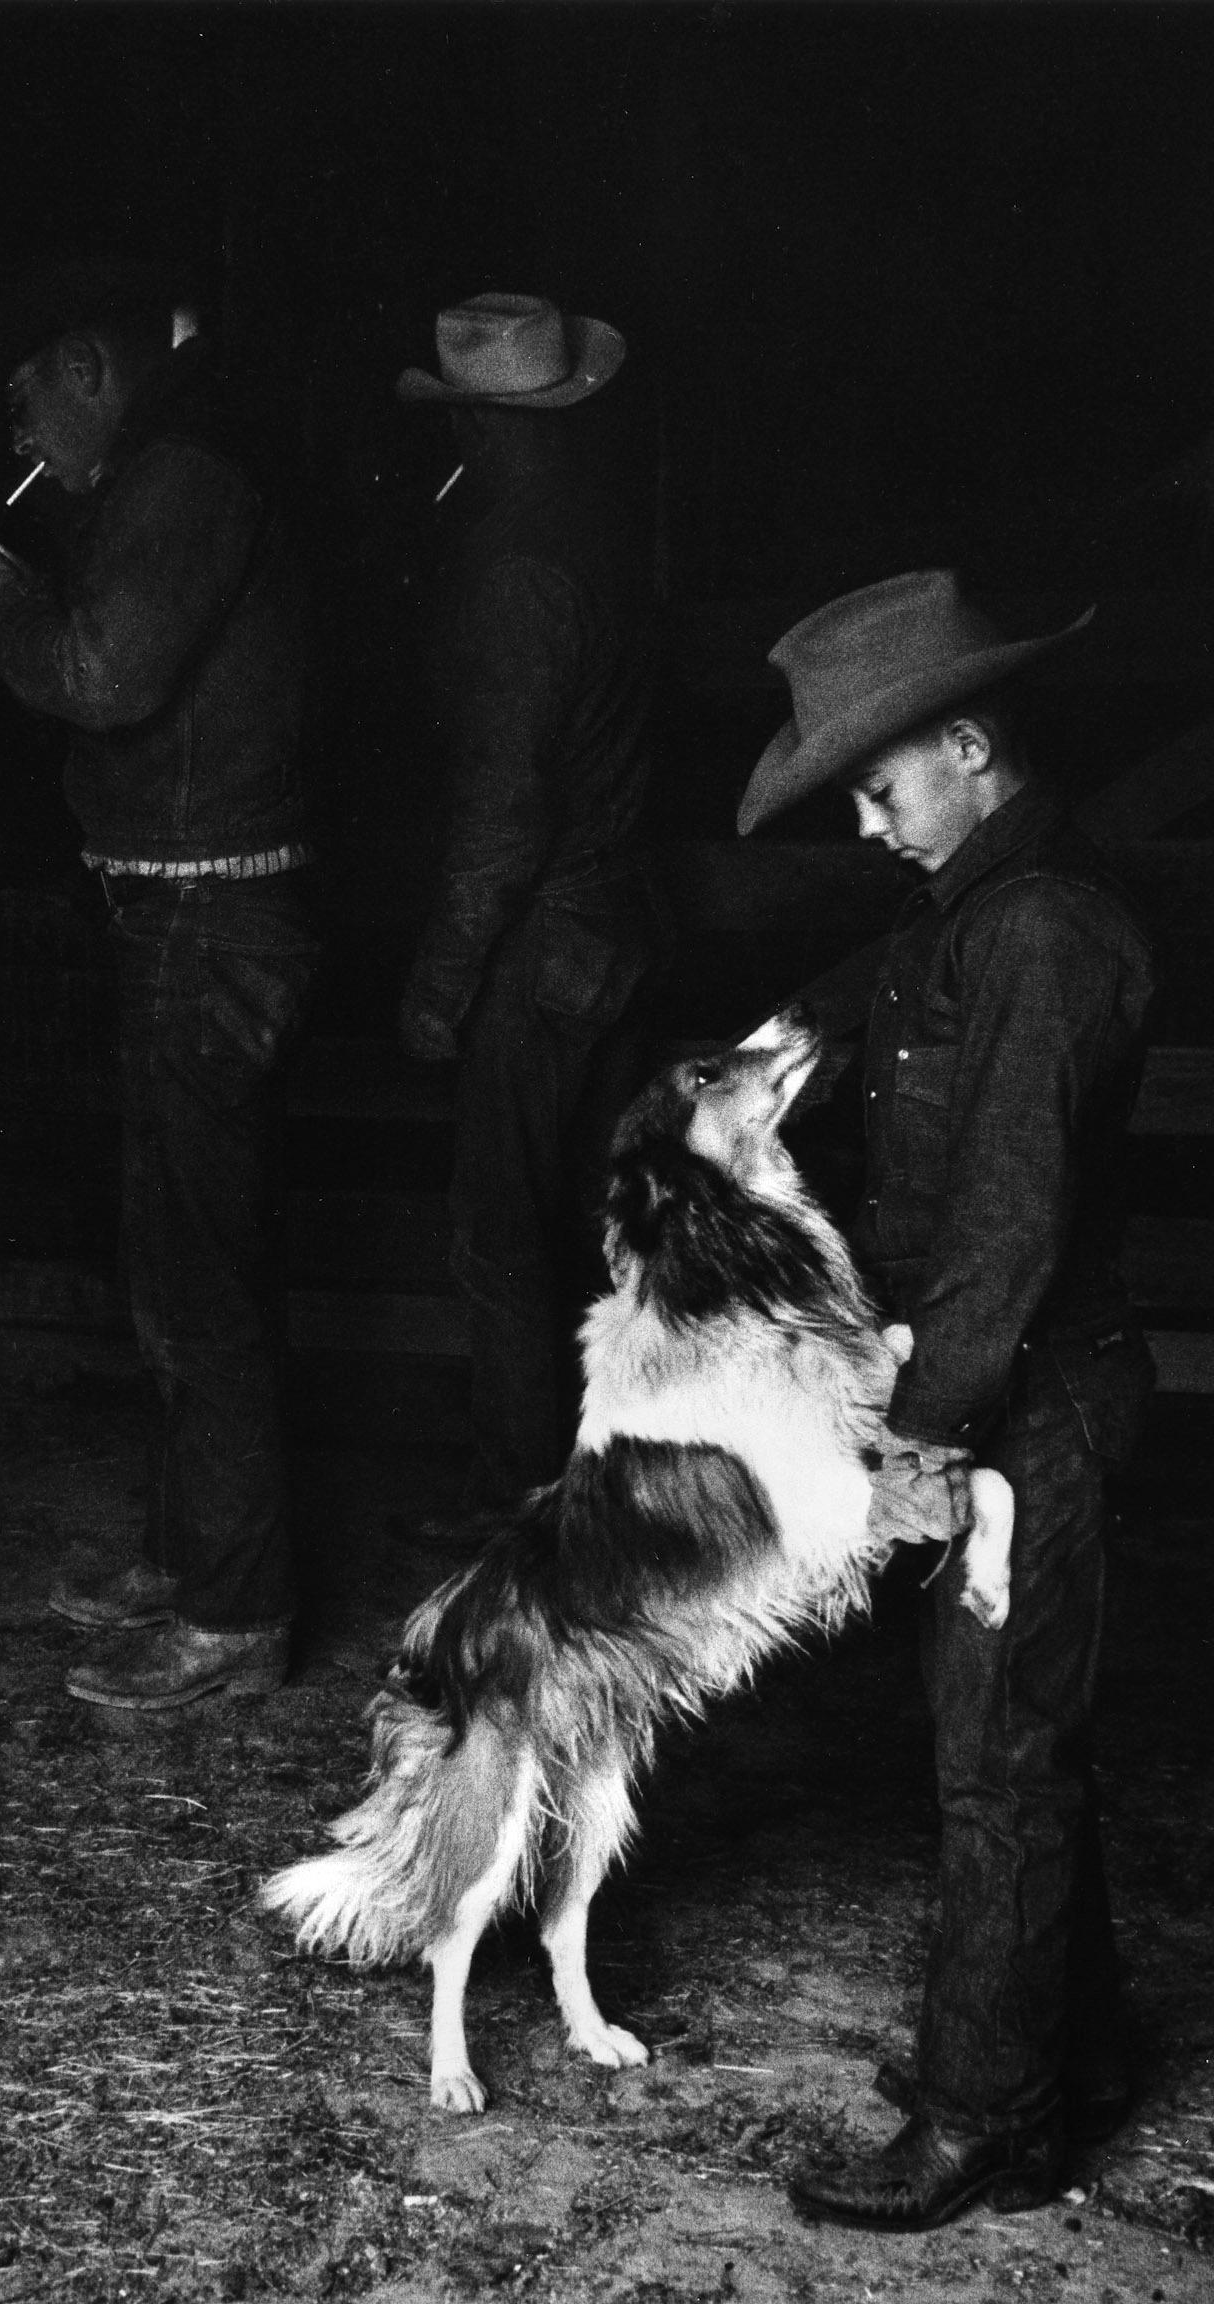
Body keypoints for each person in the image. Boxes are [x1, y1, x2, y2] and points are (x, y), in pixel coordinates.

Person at [737, 570, 1155, 2231]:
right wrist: (764, 1054)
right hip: (1008, 1385)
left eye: (881, 784)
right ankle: (1079, 2044)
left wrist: (933, 1434)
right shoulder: (976, 907)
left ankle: (990, 2116)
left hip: (1028, 1397)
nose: (866, 819)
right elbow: (879, 994)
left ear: (969, 745)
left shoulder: (1039, 929)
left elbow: (1010, 1220)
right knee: (1013, 1734)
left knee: (995, 1759)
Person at [0, 256, 322, 1711]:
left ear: (91, 367)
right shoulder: (162, 486)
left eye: (29, 394)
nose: (20, 429)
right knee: (174, 1262)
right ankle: (191, 1554)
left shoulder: (181, 484)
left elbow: (103, 677)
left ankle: (235, 1615)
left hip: (207, 931)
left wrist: (4, 611)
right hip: (179, 920)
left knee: (199, 1281)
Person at [392, 293, 666, 1547]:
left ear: (487, 428)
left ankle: (524, 1522)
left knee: (504, 1246)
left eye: (459, 420)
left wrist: (441, 987)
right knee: (592, 1233)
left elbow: (501, 814)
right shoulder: (598, 537)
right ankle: (604, 1507)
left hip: (537, 946)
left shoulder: (510, 573)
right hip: (612, 930)